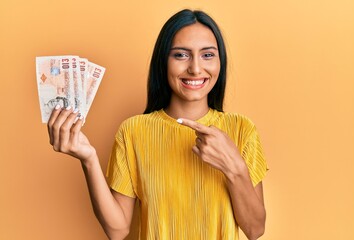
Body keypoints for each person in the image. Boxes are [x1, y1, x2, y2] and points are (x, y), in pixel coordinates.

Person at [47, 9, 268, 240]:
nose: (195, 68)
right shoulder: (133, 131)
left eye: (207, 55)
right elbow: (118, 229)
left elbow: (255, 229)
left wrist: (234, 168)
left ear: (220, 63)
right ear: (163, 61)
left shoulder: (242, 129)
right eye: (181, 55)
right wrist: (89, 159)